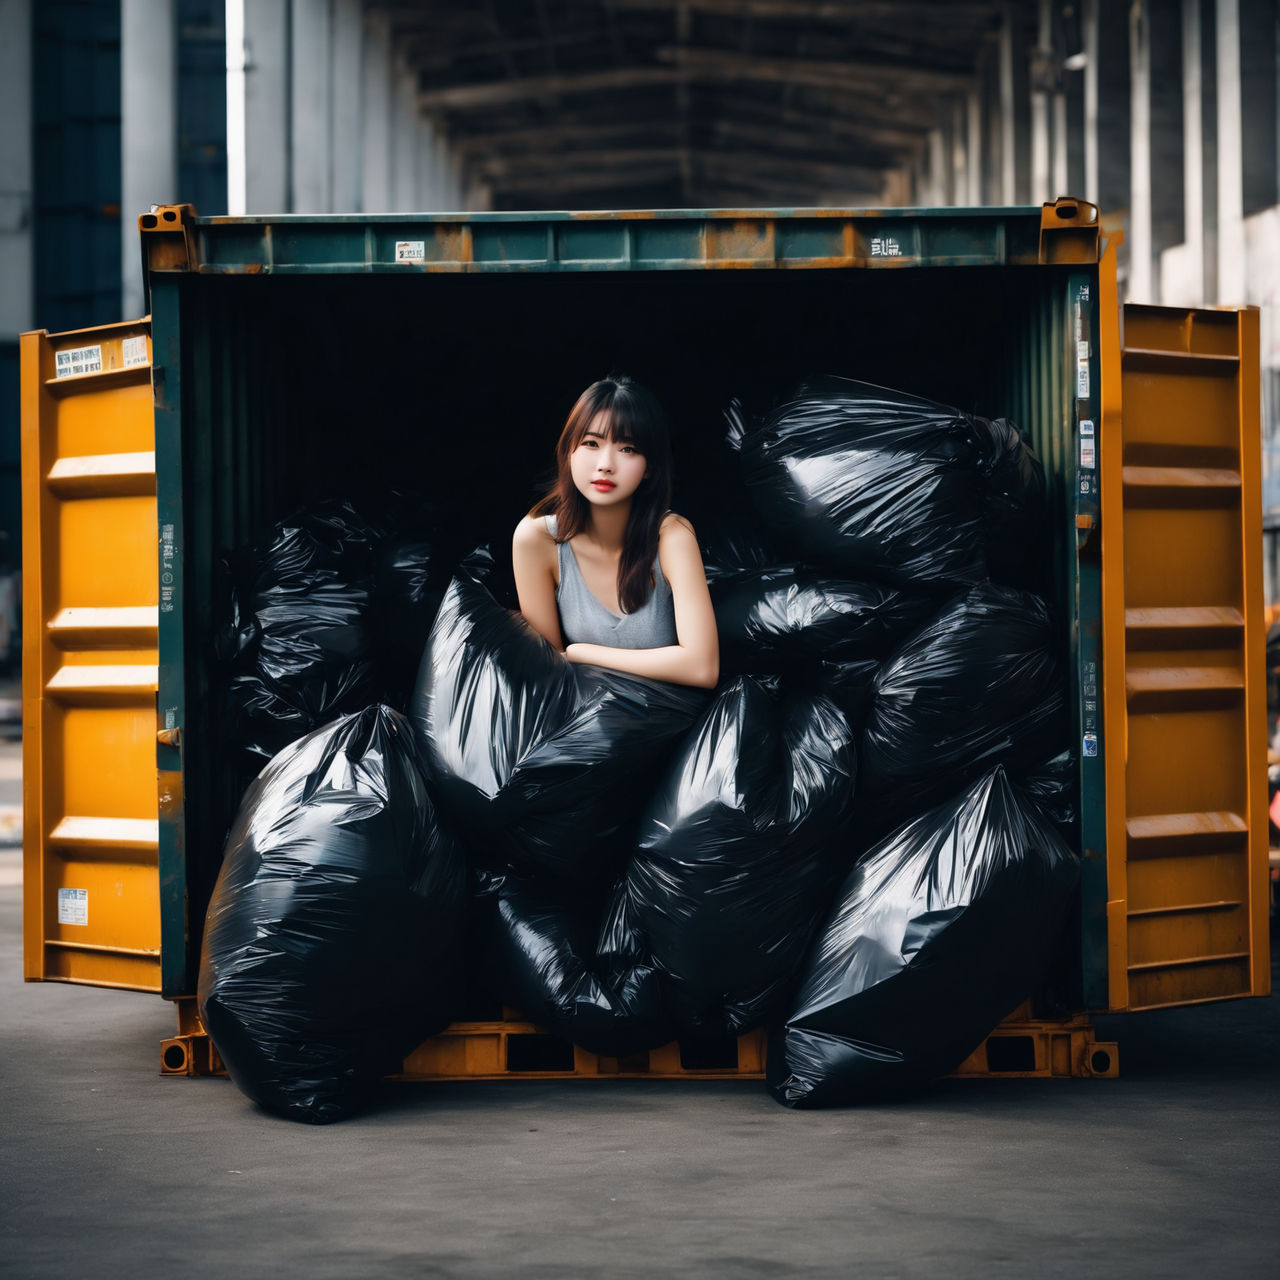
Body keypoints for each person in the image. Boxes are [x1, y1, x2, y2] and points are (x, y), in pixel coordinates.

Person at [512, 376, 719, 690]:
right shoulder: (535, 539)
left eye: (628, 448)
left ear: (649, 466)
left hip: (670, 716)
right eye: (591, 444)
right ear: (569, 451)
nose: (605, 464)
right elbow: (549, 670)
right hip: (587, 716)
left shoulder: (672, 537)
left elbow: (702, 669)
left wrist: (584, 653)